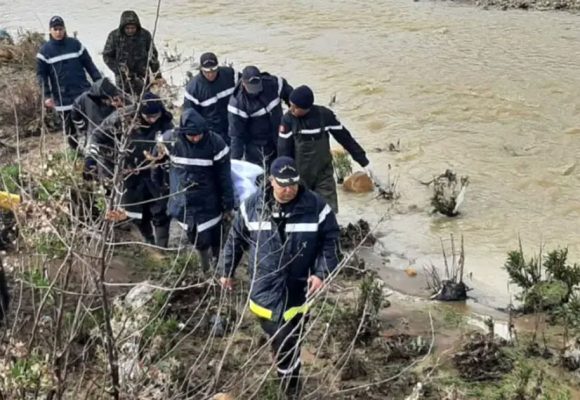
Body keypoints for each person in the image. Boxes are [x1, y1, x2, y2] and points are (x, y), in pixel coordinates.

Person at [220, 156, 340, 397]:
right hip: (264, 289)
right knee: (284, 340)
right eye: (283, 184)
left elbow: (331, 241)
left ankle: (286, 370)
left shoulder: (316, 207)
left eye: (293, 184)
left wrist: (321, 273)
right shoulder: (251, 207)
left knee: (293, 338)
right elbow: (235, 240)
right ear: (271, 181)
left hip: (299, 291)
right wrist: (226, 272)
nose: (289, 189)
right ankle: (291, 391)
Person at [278, 85, 382, 213]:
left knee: (329, 212)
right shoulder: (288, 120)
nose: (291, 109)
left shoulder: (325, 115)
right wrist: (283, 177)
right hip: (299, 177)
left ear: (306, 107)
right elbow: (283, 150)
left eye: (295, 107)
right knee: (300, 213)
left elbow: (345, 138)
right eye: (290, 104)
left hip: (323, 175)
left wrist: (364, 162)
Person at [159, 108, 234, 270]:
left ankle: (216, 260)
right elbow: (156, 162)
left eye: (197, 134)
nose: (195, 138)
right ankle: (205, 268)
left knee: (215, 233)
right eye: (190, 135)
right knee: (197, 239)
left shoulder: (216, 143)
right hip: (183, 201)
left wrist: (228, 202)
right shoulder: (170, 141)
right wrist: (161, 186)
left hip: (209, 199)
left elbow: (224, 176)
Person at [95, 93, 173, 247]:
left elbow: (172, 143)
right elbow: (98, 137)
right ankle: (148, 239)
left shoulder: (165, 122)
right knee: (137, 211)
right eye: (148, 117)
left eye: (155, 116)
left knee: (161, 209)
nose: (152, 120)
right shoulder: (122, 118)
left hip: (155, 171)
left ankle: (162, 246)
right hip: (129, 172)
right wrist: (113, 168)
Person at [36, 16, 101, 149]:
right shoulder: (44, 52)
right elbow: (41, 76)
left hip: (82, 92)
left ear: (65, 29)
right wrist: (47, 96)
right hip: (62, 97)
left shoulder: (75, 45)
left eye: (61, 29)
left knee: (91, 124)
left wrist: (99, 83)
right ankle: (75, 153)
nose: (58, 32)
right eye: (55, 29)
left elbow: (89, 65)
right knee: (69, 130)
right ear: (50, 31)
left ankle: (93, 151)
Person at [227, 65, 293, 170]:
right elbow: (236, 137)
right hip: (258, 149)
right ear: (243, 83)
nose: (255, 91)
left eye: (258, 87)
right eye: (252, 89)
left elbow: (292, 98)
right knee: (263, 179)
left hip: (280, 138)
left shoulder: (273, 84)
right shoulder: (237, 104)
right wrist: (235, 165)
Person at [71, 77, 126, 179]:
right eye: (108, 100)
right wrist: (82, 128)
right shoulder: (84, 99)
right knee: (97, 169)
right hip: (95, 138)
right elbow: (75, 112)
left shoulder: (119, 101)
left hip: (115, 138)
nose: (111, 102)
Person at [183, 52, 239, 145]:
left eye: (213, 71)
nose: (211, 75)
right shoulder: (193, 89)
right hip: (212, 132)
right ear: (201, 69)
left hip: (233, 124)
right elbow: (190, 116)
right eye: (207, 72)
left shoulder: (230, 75)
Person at [102, 10, 161, 95]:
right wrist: (119, 69)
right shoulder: (114, 36)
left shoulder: (145, 35)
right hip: (123, 78)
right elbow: (107, 56)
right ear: (123, 27)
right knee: (125, 101)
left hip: (142, 76)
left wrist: (157, 76)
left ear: (137, 26)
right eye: (127, 28)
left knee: (144, 99)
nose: (130, 30)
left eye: (133, 28)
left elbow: (153, 56)